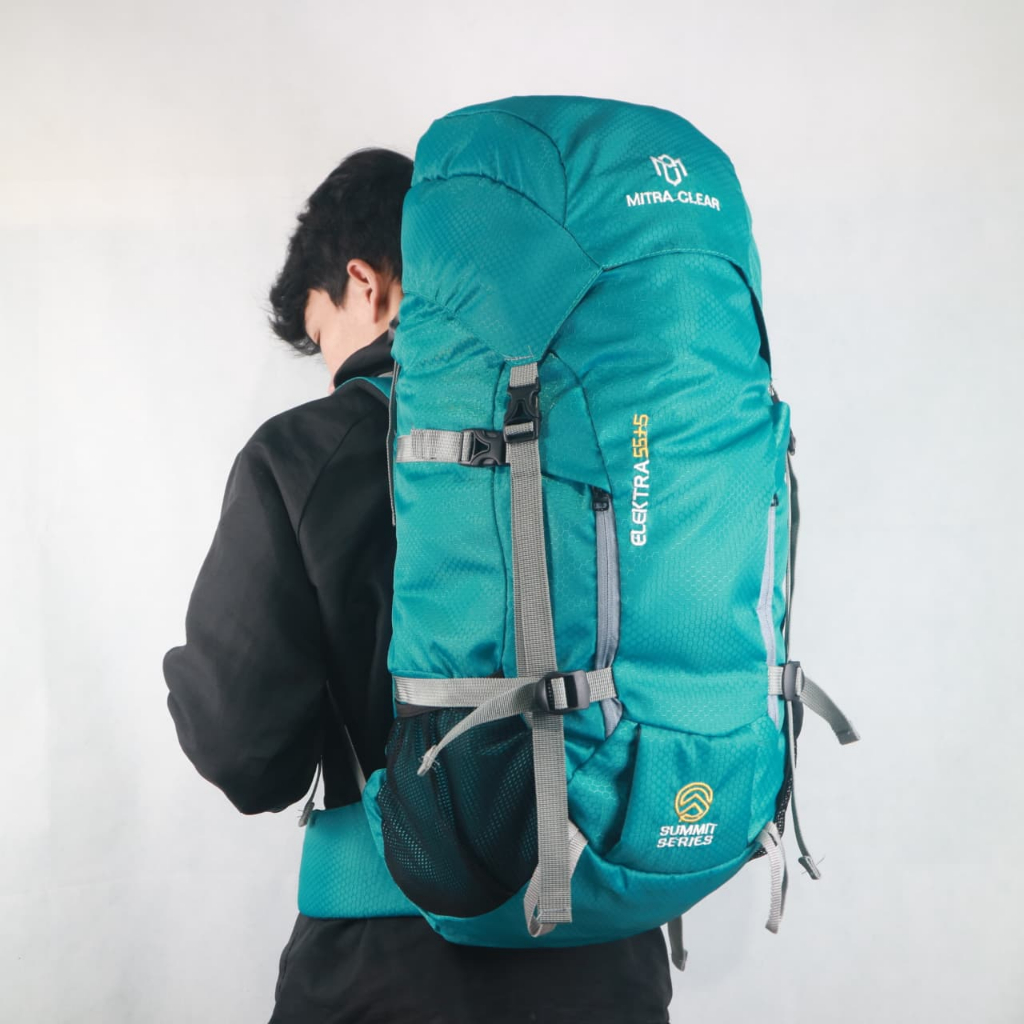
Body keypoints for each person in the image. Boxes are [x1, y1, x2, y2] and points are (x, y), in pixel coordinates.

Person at [162, 146, 673, 1023]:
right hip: (611, 963)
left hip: (388, 976)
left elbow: (248, 760)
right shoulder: (612, 433)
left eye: (322, 335)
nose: (328, 370)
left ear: (364, 284)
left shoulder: (300, 455)